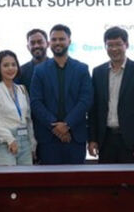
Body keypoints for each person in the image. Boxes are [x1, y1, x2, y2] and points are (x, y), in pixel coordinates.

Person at [30, 24, 93, 164]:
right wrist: (55, 126)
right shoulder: (39, 71)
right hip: (48, 138)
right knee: (50, 177)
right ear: (49, 43)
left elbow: (86, 100)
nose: (57, 42)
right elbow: (35, 102)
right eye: (54, 39)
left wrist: (67, 124)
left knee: (76, 177)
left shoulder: (82, 69)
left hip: (75, 137)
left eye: (61, 39)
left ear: (69, 41)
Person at [88, 27, 134, 163]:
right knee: (107, 176)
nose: (114, 49)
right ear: (105, 46)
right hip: (105, 139)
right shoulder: (98, 72)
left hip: (131, 141)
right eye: (110, 45)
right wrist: (92, 139)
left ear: (126, 45)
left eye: (118, 44)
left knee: (131, 176)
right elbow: (94, 109)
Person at [0, 50, 35, 165]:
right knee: (8, 176)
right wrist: (9, 139)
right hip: (5, 142)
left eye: (13, 64)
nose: (10, 68)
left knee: (27, 175)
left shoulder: (22, 89)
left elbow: (28, 119)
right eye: (6, 65)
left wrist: (32, 143)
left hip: (25, 141)